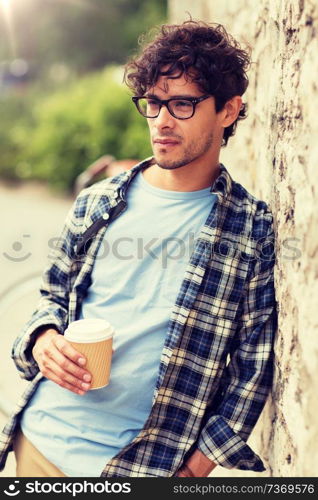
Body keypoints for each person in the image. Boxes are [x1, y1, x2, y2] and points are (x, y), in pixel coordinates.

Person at [0, 20, 277, 477]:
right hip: (40, 447)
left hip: (143, 468)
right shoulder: (98, 201)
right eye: (153, 104)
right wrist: (42, 339)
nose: (162, 121)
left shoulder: (250, 228)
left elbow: (254, 363)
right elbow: (51, 297)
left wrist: (200, 464)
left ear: (228, 110)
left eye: (183, 104)